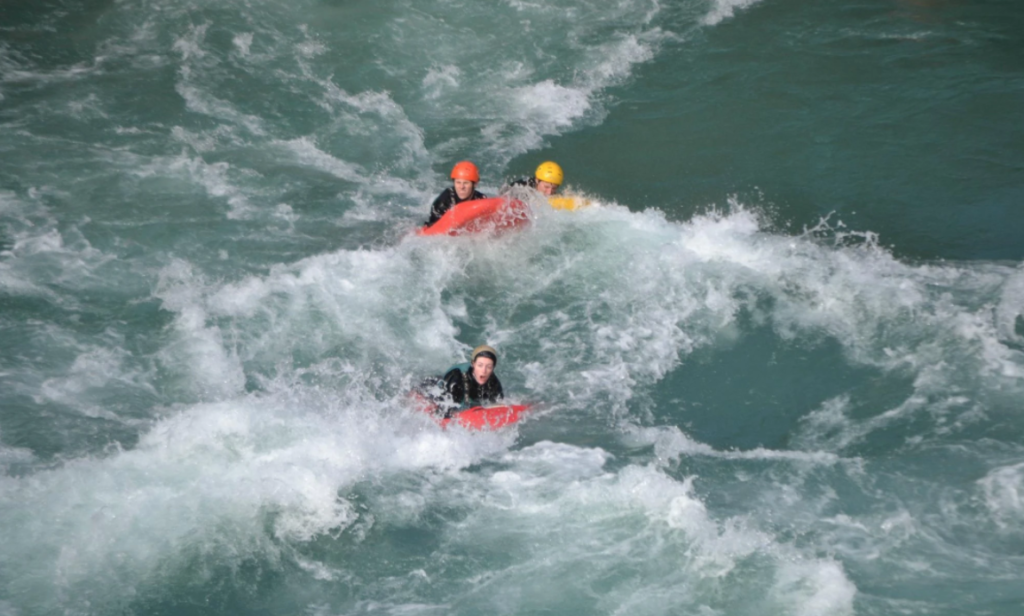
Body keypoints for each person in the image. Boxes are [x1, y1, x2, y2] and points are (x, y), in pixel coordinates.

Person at [418, 344, 504, 418]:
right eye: (480, 365)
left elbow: (498, 405)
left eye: (489, 367)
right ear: (473, 364)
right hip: (430, 387)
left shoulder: (494, 383)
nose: (484, 371)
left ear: (493, 368)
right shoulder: (457, 380)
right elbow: (444, 413)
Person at [426, 161, 486, 226]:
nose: (461, 187)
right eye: (458, 183)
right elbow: (434, 227)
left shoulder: (480, 199)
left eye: (466, 183)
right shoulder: (444, 200)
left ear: (475, 184)